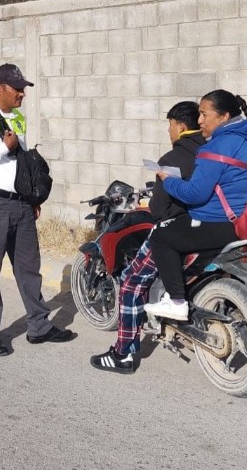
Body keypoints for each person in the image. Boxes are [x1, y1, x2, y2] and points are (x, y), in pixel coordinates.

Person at [0, 63, 76, 357]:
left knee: (28, 268)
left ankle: (38, 326)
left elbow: (21, 162)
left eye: (23, 88)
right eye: (17, 88)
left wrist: (32, 199)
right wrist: (2, 147)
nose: (22, 93)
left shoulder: (19, 119)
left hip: (21, 205)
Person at [90, 101, 206, 374]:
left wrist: (151, 206)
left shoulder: (172, 160)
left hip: (177, 231)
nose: (169, 131)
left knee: (130, 283)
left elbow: (159, 210)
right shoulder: (210, 153)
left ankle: (123, 355)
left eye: (169, 125)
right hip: (211, 229)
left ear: (180, 126)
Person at [142, 89, 247, 321]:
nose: (199, 120)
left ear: (223, 117)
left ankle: (176, 301)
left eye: (204, 114)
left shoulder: (214, 147)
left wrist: (168, 181)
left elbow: (195, 194)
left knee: (161, 235)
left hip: (222, 223)